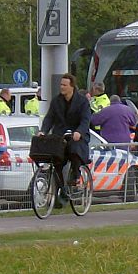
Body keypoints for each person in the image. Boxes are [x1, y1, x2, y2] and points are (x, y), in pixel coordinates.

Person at [40, 73, 92, 207]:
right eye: (61, 84)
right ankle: (61, 190)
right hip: (60, 135)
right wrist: (43, 131)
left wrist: (79, 132)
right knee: (55, 160)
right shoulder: (56, 101)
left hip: (76, 136)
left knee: (75, 149)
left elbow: (86, 119)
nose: (61, 87)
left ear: (72, 86)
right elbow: (49, 118)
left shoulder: (82, 101)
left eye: (64, 85)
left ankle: (75, 175)